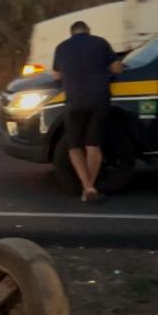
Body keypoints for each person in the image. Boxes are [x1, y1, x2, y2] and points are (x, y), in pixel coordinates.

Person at [51, 21, 124, 202]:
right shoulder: (100, 42)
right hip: (99, 100)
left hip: (74, 102)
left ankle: (87, 186)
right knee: (94, 146)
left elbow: (57, 75)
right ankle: (89, 189)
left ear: (71, 33)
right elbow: (117, 68)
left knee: (74, 147)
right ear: (88, 31)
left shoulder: (61, 47)